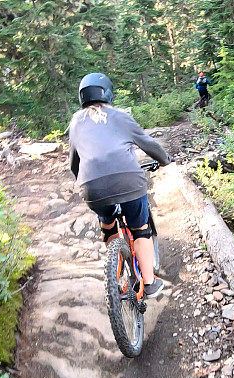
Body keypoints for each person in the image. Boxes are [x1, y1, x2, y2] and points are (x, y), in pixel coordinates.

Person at [68, 72, 173, 298]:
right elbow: (148, 143)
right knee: (141, 228)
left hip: (92, 189)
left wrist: (84, 183)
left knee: (107, 223)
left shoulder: (76, 121)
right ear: (107, 93)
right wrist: (165, 160)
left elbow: (74, 163)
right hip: (129, 182)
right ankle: (150, 283)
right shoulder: (120, 116)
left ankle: (115, 272)